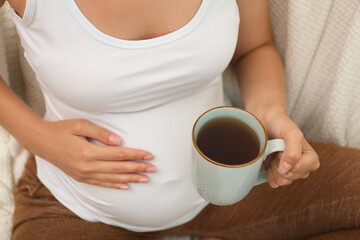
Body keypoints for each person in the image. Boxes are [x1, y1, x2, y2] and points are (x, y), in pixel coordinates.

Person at [0, 0, 323, 239]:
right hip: (76, 207)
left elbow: (254, 46)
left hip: (231, 193)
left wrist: (270, 114)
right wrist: (39, 139)